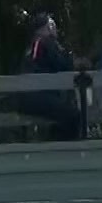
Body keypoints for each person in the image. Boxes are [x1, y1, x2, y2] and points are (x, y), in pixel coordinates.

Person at [19, 12, 84, 140]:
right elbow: (63, 65)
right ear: (47, 27)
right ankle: (65, 150)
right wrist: (79, 63)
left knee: (63, 115)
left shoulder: (34, 44)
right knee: (73, 115)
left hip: (31, 97)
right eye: (52, 25)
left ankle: (56, 143)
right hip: (37, 97)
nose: (55, 28)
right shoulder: (45, 42)